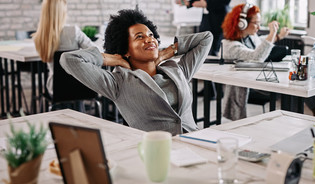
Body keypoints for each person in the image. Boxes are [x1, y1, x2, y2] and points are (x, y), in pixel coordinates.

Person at [60, 9, 213, 135]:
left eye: (151, 35)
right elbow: (69, 59)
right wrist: (113, 59)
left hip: (195, 142)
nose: (149, 40)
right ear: (125, 49)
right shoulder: (118, 83)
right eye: (139, 37)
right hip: (157, 153)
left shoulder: (177, 69)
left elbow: (206, 38)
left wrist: (167, 53)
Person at [221, 3, 315, 120]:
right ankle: (306, 113)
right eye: (256, 23)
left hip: (260, 80)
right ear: (241, 23)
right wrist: (272, 33)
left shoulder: (250, 38)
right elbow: (256, 57)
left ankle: (312, 110)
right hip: (251, 87)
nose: (259, 27)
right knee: (291, 88)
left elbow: (261, 43)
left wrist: (278, 36)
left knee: (296, 81)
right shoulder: (230, 46)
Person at [32, 0, 97, 96]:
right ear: (62, 13)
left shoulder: (39, 37)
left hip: (55, 88)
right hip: (80, 84)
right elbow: (94, 51)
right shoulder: (73, 31)